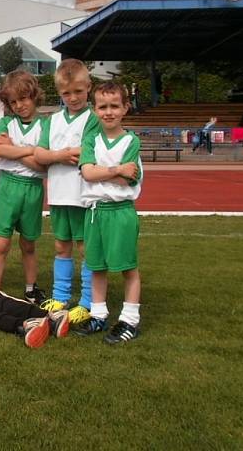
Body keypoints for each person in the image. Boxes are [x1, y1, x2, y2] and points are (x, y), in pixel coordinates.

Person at [75, 81, 142, 344]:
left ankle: (130, 320)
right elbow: (88, 172)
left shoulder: (131, 141)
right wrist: (115, 170)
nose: (109, 111)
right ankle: (99, 314)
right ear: (95, 110)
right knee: (96, 267)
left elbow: (130, 179)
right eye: (102, 106)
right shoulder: (90, 139)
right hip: (94, 212)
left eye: (115, 106)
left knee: (128, 268)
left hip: (120, 211)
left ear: (126, 108)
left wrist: (100, 172)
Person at [34, 59, 100, 324]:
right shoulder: (52, 120)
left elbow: (88, 151)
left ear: (88, 88)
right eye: (66, 93)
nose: (72, 98)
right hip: (60, 195)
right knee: (61, 246)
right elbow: (39, 153)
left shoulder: (93, 119)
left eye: (78, 92)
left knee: (85, 248)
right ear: (59, 93)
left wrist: (54, 155)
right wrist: (60, 155)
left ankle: (86, 301)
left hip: (84, 195)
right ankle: (60, 297)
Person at [0, 69, 47, 303]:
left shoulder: (46, 125)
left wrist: (15, 148)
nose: (19, 105)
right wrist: (30, 150)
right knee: (1, 242)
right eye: (13, 101)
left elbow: (42, 166)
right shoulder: (5, 122)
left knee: (28, 243)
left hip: (32, 188)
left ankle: (31, 289)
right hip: (8, 186)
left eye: (23, 98)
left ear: (34, 96)